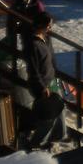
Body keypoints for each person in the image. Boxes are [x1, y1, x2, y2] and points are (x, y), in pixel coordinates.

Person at [25, 12, 65, 149]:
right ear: (41, 25)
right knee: (48, 117)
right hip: (42, 85)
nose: (50, 28)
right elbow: (33, 69)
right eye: (48, 26)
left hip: (52, 81)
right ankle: (36, 143)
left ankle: (56, 137)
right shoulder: (33, 45)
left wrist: (57, 76)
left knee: (60, 110)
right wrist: (42, 87)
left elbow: (52, 60)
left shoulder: (46, 39)